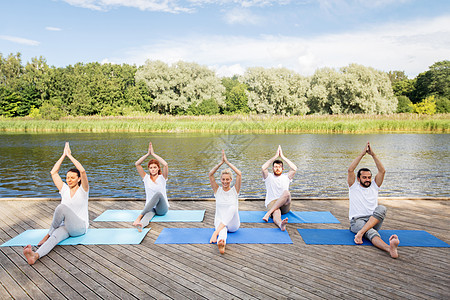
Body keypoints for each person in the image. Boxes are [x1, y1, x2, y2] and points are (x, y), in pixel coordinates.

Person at [23, 142, 89, 265]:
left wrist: (69, 156)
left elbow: (83, 171)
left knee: (62, 207)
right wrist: (63, 155)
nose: (69, 180)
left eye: (72, 178)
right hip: (66, 227)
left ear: (79, 179)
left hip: (80, 227)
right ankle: (35, 255)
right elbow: (54, 172)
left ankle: (48, 234)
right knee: (55, 238)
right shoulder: (64, 189)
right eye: (67, 177)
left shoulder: (83, 191)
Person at [348, 142, 399, 258]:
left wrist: (373, 155)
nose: (367, 179)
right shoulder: (353, 186)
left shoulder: (374, 186)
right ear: (358, 178)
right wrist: (362, 154)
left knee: (381, 208)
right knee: (371, 232)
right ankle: (389, 248)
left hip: (374, 220)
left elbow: (382, 171)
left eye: (369, 177)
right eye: (364, 177)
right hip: (357, 221)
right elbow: (350, 170)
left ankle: (360, 233)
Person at [209, 150, 241, 254]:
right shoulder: (217, 190)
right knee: (222, 229)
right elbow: (210, 174)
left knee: (232, 208)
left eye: (227, 179)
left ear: (231, 180)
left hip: (233, 224)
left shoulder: (234, 191)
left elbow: (239, 174)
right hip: (220, 222)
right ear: (220, 180)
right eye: (223, 179)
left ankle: (216, 233)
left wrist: (227, 162)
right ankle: (221, 243)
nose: (225, 182)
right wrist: (220, 163)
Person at [133, 142, 169, 232]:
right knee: (147, 216)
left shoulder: (162, 178)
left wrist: (153, 154)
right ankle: (141, 225)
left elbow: (165, 164)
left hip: (161, 209)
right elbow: (137, 164)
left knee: (158, 194)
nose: (153, 169)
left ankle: (139, 217)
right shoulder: (146, 178)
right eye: (151, 167)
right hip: (150, 208)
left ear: (158, 168)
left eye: (155, 167)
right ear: (149, 169)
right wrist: (147, 154)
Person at [261, 145, 297, 231]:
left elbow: (294, 168)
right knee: (276, 211)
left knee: (287, 193)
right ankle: (281, 224)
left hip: (285, 204)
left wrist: (283, 157)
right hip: (272, 202)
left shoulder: (286, 176)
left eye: (279, 167)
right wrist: (275, 156)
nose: (277, 168)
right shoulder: (268, 177)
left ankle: (268, 213)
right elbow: (263, 167)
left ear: (283, 168)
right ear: (273, 168)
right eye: (276, 167)